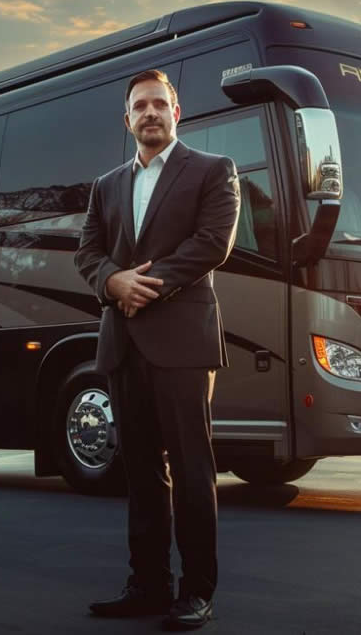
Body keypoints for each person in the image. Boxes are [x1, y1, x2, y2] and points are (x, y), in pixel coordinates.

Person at [74, 69, 240, 630]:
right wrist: (110, 282)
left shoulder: (214, 171)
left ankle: (197, 591)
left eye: (159, 104)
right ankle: (147, 585)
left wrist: (148, 283)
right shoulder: (106, 186)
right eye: (139, 106)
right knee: (141, 472)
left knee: (193, 469)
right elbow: (88, 253)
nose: (150, 113)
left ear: (177, 113)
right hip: (122, 340)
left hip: (182, 341)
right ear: (127, 120)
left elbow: (214, 242)